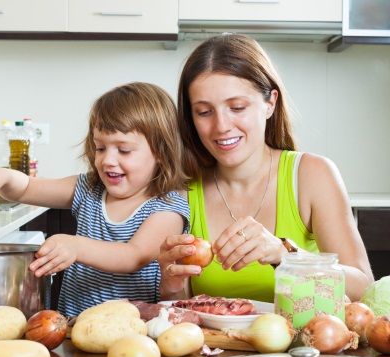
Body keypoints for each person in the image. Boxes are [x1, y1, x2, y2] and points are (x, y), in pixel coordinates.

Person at [158, 33, 374, 304]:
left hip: (302, 346)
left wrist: (285, 254)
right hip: (221, 347)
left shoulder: (312, 175)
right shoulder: (183, 191)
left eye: (237, 107)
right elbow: (182, 307)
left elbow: (364, 288)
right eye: (204, 112)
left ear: (270, 103)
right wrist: (170, 283)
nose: (221, 125)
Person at [0, 82, 190, 316]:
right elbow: (26, 189)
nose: (107, 160)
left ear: (161, 153)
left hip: (135, 336)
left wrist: (76, 246)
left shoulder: (167, 208)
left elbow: (134, 256)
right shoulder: (88, 188)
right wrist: (4, 177)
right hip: (74, 330)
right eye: (100, 148)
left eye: (123, 150)